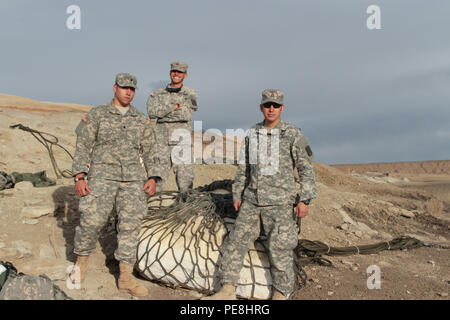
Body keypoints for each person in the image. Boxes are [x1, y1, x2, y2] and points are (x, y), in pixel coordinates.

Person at [203, 89, 317, 300]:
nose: (271, 109)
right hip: (252, 202)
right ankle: (227, 289)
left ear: (282, 108)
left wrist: (305, 199)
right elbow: (243, 168)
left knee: (280, 249)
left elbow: (306, 169)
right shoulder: (252, 134)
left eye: (275, 105)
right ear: (261, 107)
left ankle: (281, 294)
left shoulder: (293, 135)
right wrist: (237, 194)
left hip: (280, 204)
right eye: (267, 105)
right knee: (235, 242)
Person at [69, 73, 163, 297]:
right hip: (102, 176)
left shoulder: (140, 119)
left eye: (132, 89)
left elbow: (151, 150)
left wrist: (153, 177)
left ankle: (125, 278)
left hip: (133, 180)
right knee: (91, 221)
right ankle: (80, 265)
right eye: (123, 88)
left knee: (130, 228)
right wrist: (79, 177)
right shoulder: (98, 114)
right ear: (115, 88)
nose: (128, 92)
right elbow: (83, 145)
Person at [146, 61, 198, 192]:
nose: (176, 74)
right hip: (160, 142)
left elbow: (185, 114)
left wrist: (163, 113)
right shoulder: (158, 94)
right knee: (156, 180)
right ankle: (152, 210)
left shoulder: (190, 93)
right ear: (170, 73)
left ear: (185, 75)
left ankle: (186, 210)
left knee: (185, 183)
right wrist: (174, 107)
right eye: (174, 71)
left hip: (181, 142)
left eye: (180, 72)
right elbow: (152, 113)